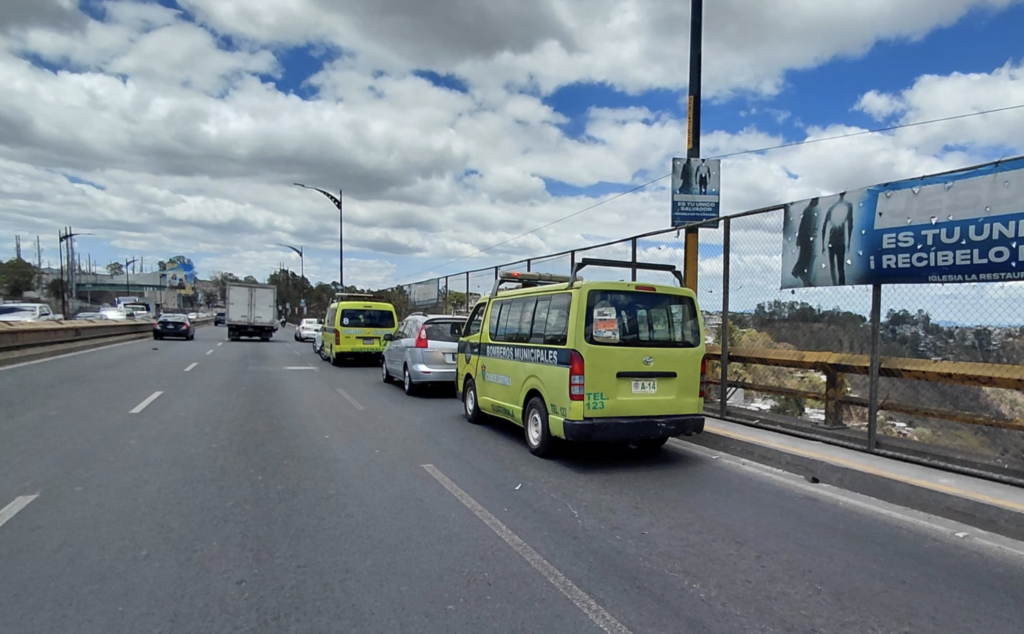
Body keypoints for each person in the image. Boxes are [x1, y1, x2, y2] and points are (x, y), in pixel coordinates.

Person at [821, 192, 854, 285]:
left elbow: (850, 225)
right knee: (837, 266)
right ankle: (836, 283)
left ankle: (839, 283)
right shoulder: (845, 207)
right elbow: (824, 226)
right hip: (836, 241)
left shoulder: (844, 207)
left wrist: (849, 242)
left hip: (837, 241)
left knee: (837, 267)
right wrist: (822, 244)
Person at [791, 197, 820, 286]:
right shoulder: (809, 211)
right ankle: (798, 273)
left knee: (807, 258)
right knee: (807, 257)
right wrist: (801, 239)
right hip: (806, 238)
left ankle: (804, 277)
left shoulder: (811, 211)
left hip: (808, 238)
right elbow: (803, 226)